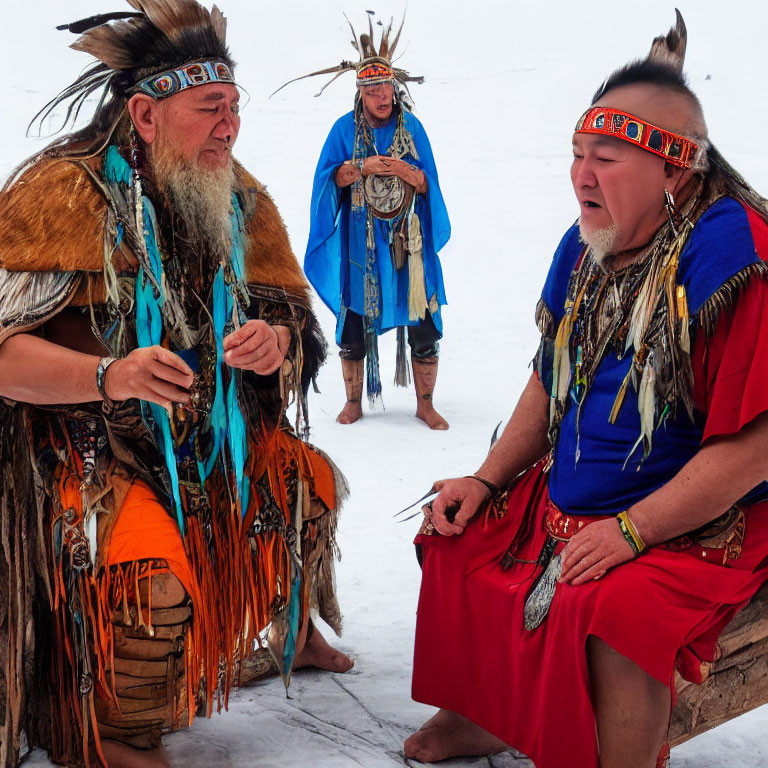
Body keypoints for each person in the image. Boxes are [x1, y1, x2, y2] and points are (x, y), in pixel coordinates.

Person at [405, 12, 768, 768]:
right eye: (576, 154)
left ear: (676, 170)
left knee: (614, 609)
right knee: (458, 535)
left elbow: (752, 448)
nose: (581, 175)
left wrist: (632, 532)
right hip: (574, 496)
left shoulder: (736, 256)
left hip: (700, 516)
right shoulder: (588, 241)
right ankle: (487, 713)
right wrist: (486, 477)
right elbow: (550, 376)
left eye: (605, 156)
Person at [0, 2, 352, 767]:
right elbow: (2, 356)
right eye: (209, 109)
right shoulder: (62, 194)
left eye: (234, 107)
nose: (229, 127)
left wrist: (276, 342)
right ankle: (101, 726)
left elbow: (292, 317)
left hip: (202, 444)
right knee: (145, 579)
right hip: (84, 449)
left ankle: (286, 632)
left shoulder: (239, 197)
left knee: (307, 485)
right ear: (145, 114)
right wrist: (109, 374)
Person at [279, 15, 451, 428]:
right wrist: (364, 165)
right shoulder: (343, 130)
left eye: (386, 89)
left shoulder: (413, 129)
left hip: (407, 242)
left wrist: (409, 174)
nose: (382, 97)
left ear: (396, 88)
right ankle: (354, 402)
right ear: (361, 94)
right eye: (373, 91)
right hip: (362, 244)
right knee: (354, 321)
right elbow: (329, 179)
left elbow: (430, 183)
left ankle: (425, 404)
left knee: (424, 324)